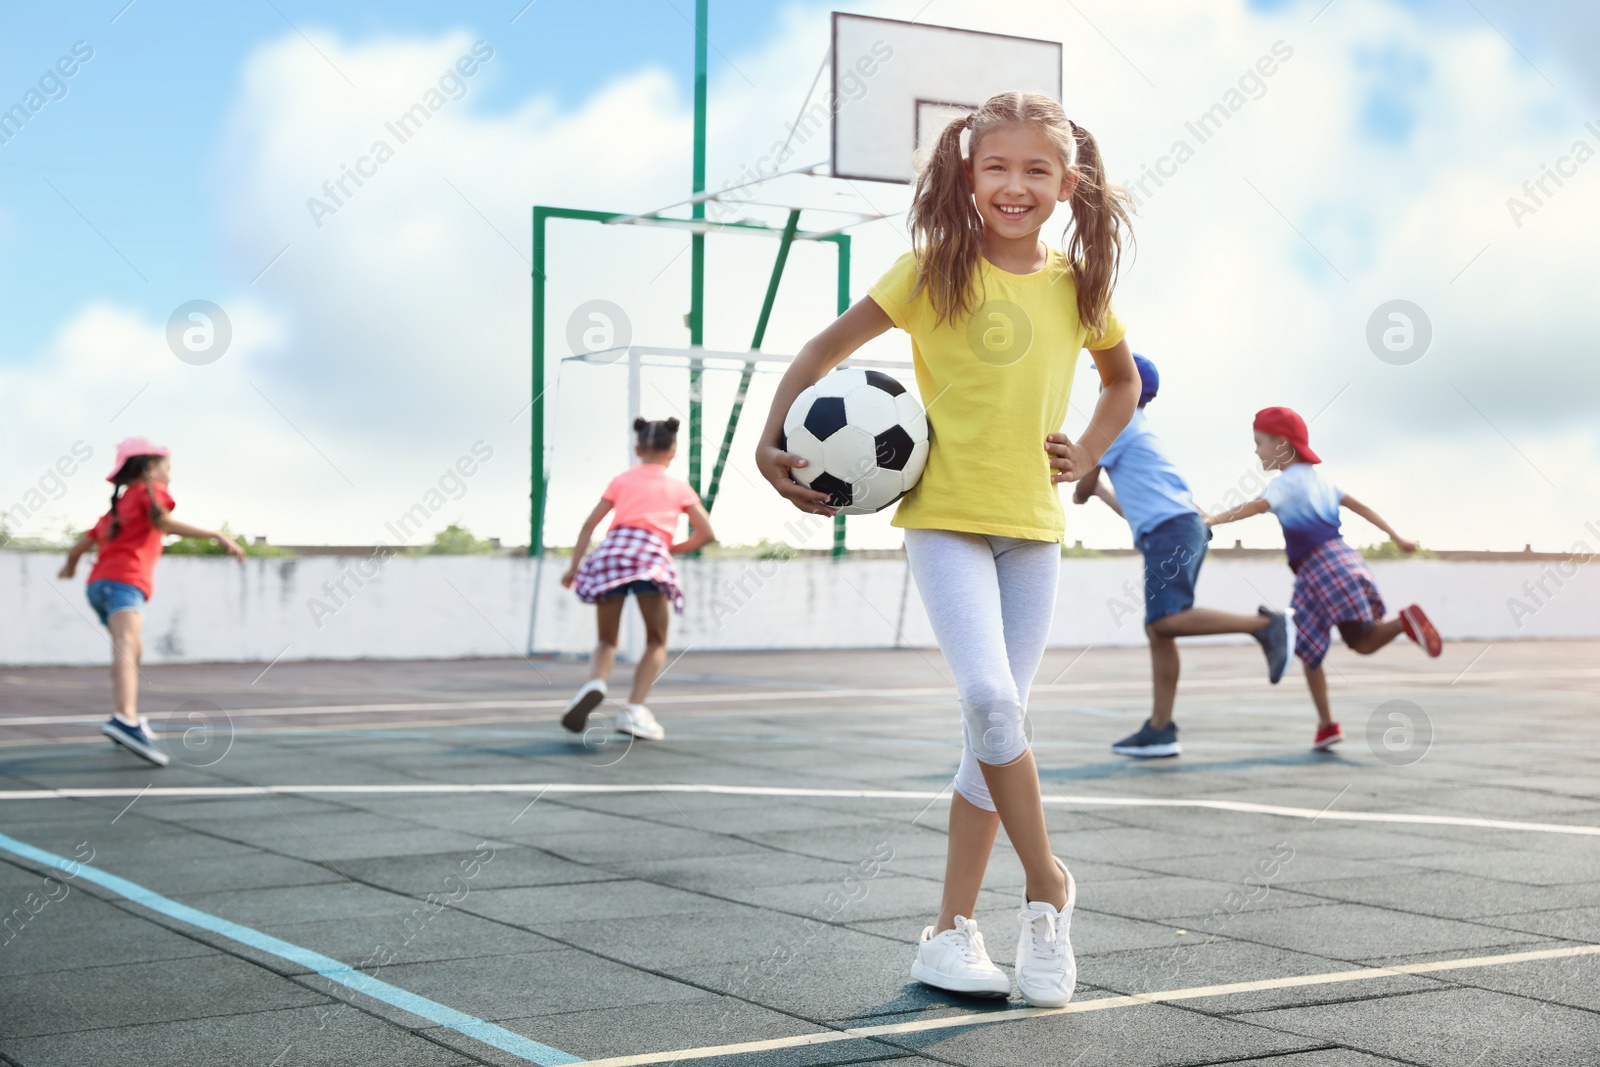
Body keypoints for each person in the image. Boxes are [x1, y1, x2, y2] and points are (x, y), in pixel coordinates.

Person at [756, 92, 1139, 1007]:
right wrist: (768, 443)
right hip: (943, 521)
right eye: (996, 167)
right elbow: (821, 347)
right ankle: (1049, 886)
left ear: (1068, 184)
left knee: (991, 735)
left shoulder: (1080, 285)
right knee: (990, 700)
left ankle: (949, 933)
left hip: (1035, 533)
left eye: (1035, 170)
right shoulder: (931, 270)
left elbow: (1122, 381)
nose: (1015, 185)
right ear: (967, 176)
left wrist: (1088, 450)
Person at [1073, 354, 1290, 759]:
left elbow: (1084, 476)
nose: (1101, 386)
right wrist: (1100, 492)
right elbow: (1134, 508)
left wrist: (1085, 489)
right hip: (1177, 528)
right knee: (1160, 630)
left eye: (1106, 379)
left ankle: (1264, 625)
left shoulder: (1114, 425)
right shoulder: (1135, 430)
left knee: (1166, 619)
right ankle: (1159, 728)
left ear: (1126, 387)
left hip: (1173, 530)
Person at [1206, 406, 1442, 749]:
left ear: (1282, 445)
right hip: (1343, 561)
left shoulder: (1284, 485)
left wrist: (1212, 520)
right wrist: (1397, 536)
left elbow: (1252, 507)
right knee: (1329, 645)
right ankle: (1328, 724)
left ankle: (1401, 627)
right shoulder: (1324, 482)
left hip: (1320, 569)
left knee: (1334, 644)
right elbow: (1363, 508)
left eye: (1260, 443)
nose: (1256, 451)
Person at [58, 437, 245, 767]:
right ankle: (125, 718)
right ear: (150, 468)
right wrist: (215, 534)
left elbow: (76, 550)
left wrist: (69, 570)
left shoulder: (115, 509)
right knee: (127, 645)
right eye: (168, 469)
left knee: (130, 649)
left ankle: (127, 716)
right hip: (125, 584)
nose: (170, 477)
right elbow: (164, 523)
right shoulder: (149, 493)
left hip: (97, 586)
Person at [560, 417, 715, 742]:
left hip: (613, 551)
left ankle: (595, 683)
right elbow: (707, 533)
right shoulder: (678, 486)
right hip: (650, 553)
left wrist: (574, 568)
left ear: (637, 448)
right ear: (672, 452)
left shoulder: (622, 480)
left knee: (607, 640)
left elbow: (589, 526)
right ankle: (633, 710)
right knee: (656, 640)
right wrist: (670, 549)